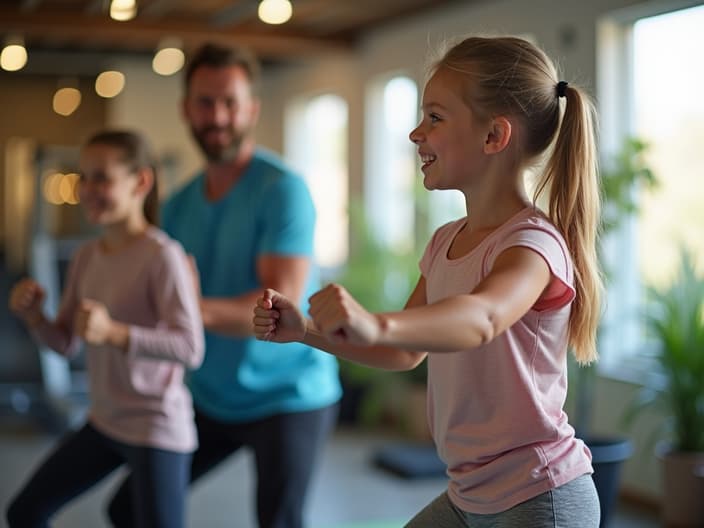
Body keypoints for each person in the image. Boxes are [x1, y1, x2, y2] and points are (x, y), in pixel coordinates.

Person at [253, 35, 603, 527]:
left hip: (539, 497)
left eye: (435, 117)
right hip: (469, 495)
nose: (417, 134)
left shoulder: (532, 246)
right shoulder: (444, 242)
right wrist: (305, 330)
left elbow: (482, 317)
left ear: (493, 136)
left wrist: (377, 323)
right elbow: (403, 351)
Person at [108, 43, 342, 528]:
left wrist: (188, 308)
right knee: (129, 509)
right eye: (205, 102)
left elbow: (276, 310)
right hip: (209, 394)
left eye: (230, 102)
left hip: (287, 393)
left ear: (251, 108)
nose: (218, 116)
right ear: (186, 109)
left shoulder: (282, 190)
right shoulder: (177, 206)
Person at [5, 130, 204, 528]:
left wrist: (114, 333)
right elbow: (63, 343)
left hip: (155, 427)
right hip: (105, 420)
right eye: (84, 177)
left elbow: (190, 348)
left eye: (102, 178)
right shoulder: (86, 256)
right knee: (25, 512)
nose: (87, 190)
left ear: (140, 183)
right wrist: (35, 318)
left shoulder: (162, 256)